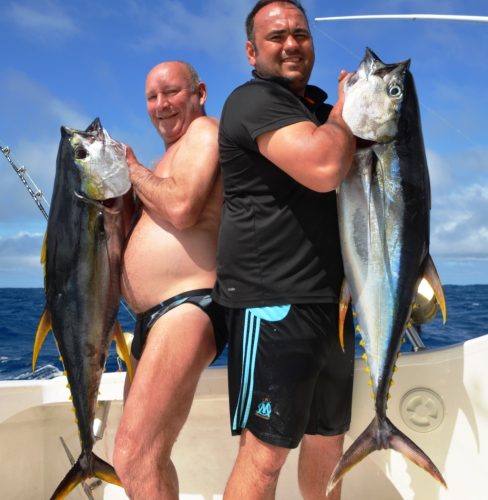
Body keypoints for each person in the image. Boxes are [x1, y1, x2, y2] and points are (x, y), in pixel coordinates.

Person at [212, 1, 357, 498]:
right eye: (277, 37)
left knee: (327, 444)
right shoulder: (254, 101)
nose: (292, 44)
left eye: (301, 34)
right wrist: (345, 110)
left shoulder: (313, 110)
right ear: (252, 52)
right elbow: (322, 167)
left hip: (331, 303)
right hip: (272, 303)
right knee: (265, 455)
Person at [113, 61, 226, 499]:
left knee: (132, 454)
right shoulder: (166, 157)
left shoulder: (204, 133)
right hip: (151, 319)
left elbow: (182, 208)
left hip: (187, 306)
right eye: (151, 97)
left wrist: (132, 168)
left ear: (199, 92)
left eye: (171, 92)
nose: (161, 105)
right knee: (150, 455)